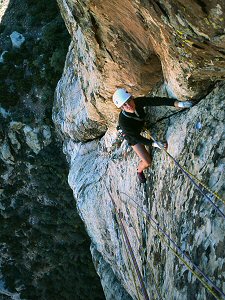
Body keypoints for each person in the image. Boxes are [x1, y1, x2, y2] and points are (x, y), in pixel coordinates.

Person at [113, 88, 193, 183]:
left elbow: (156, 101)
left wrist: (178, 104)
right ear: (122, 108)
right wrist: (154, 144)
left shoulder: (137, 102)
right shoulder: (123, 122)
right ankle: (139, 171)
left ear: (132, 98)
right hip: (131, 135)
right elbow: (137, 138)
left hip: (139, 126)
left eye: (129, 101)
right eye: (124, 105)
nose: (129, 105)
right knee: (147, 162)